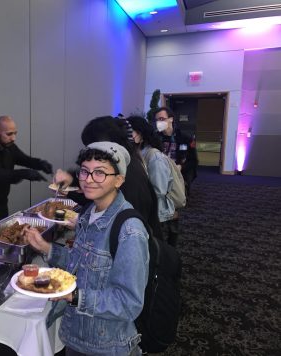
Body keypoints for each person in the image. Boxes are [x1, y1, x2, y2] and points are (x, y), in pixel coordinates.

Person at [24, 142, 149, 356]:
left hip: (106, 346)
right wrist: (46, 247)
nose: (88, 179)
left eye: (99, 173)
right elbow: (79, 263)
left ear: (119, 180)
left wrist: (74, 296)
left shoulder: (130, 231)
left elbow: (128, 303)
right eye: (85, 171)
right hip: (76, 335)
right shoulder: (88, 213)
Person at [54, 115, 162, 239]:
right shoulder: (123, 163)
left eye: (92, 148)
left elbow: (125, 234)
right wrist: (71, 182)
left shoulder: (130, 176)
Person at [0, 115, 53, 231]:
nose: (13, 138)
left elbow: (25, 159)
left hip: (2, 204)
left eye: (15, 133)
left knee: (5, 236)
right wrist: (24, 173)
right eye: (9, 134)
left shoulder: (9, 146)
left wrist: (40, 164)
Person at [126, 115, 178, 247]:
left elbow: (159, 190)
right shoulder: (136, 153)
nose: (126, 135)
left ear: (140, 135)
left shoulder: (154, 156)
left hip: (155, 212)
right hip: (144, 209)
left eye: (130, 131)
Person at [154, 107, 198, 197]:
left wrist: (181, 167)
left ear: (171, 119)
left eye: (162, 119)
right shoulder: (155, 138)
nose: (159, 122)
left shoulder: (185, 138)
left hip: (178, 173)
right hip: (159, 173)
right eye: (157, 120)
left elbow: (194, 161)